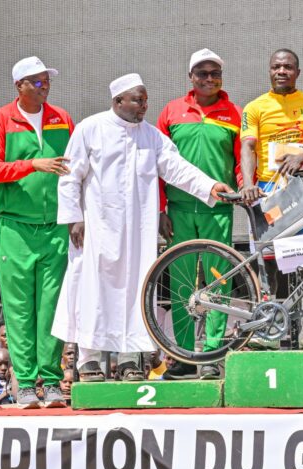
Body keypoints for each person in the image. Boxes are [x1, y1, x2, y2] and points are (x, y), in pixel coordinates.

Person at [52, 73, 234, 383]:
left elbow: (177, 168)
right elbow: (70, 176)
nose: (144, 106)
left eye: (146, 100)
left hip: (138, 232)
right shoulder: (90, 128)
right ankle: (88, 360)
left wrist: (210, 186)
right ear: (118, 101)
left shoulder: (152, 136)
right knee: (92, 290)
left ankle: (129, 359)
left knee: (136, 290)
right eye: (138, 100)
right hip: (96, 229)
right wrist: (73, 218)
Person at [0, 56, 74, 408]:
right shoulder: (1, 119)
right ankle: (24, 384)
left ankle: (51, 382)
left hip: (56, 228)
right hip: (16, 228)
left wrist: (77, 217)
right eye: (36, 81)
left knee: (51, 308)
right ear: (18, 85)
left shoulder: (62, 118)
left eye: (46, 80)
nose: (44, 85)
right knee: (19, 310)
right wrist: (32, 164)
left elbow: (76, 167)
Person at [156, 49, 242, 380]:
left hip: (218, 210)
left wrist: (243, 188)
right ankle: (184, 355)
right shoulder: (171, 111)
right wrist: (161, 208)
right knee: (180, 283)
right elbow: (157, 166)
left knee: (219, 280)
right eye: (202, 73)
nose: (209, 79)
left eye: (215, 73)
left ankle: (211, 354)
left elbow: (240, 161)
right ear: (190, 77)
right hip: (178, 210)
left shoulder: (233, 113)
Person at [239, 49, 303, 350]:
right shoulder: (255, 107)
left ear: (297, 72)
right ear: (269, 70)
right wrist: (248, 184)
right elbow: (248, 147)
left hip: (300, 190)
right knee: (268, 263)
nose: (281, 71)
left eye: (288, 67)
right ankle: (270, 329)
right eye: (276, 67)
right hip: (268, 191)